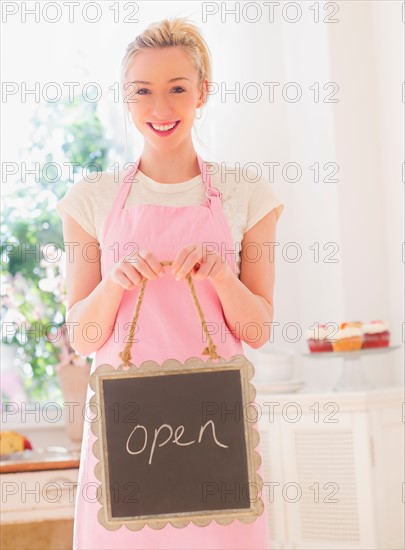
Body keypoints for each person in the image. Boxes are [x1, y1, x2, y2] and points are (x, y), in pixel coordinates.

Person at [56, 16, 284, 550]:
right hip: (123, 434)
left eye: (178, 88)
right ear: (126, 99)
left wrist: (223, 277)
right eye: (143, 92)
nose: (161, 108)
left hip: (214, 433)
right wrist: (114, 283)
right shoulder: (91, 198)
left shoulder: (245, 193)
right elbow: (84, 338)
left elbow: (258, 330)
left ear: (203, 92)